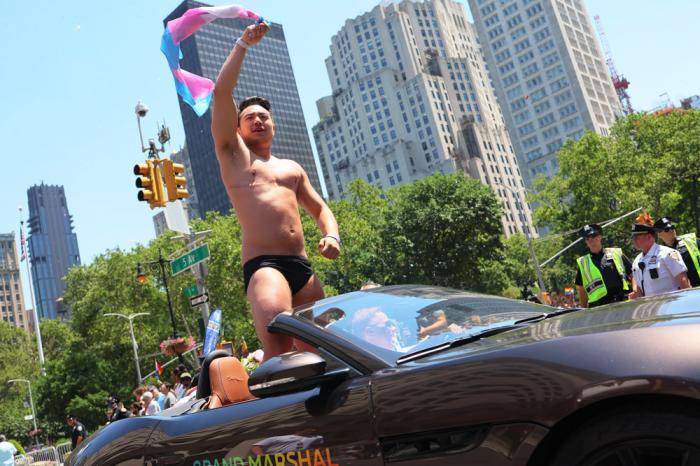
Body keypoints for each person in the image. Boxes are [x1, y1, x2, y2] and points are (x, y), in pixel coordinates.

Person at [212, 21, 340, 360]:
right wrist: (242, 44)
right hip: (265, 265)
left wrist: (332, 235)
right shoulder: (234, 156)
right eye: (249, 116)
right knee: (280, 344)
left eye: (263, 116)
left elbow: (320, 209)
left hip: (303, 267)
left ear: (273, 124)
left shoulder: (292, 168)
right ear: (236, 128)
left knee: (324, 349)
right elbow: (221, 93)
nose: (257, 120)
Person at [629, 214, 691, 298]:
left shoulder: (667, 254)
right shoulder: (637, 261)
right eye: (633, 237)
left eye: (637, 236)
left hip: (671, 305)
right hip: (651, 308)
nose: (634, 240)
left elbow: (683, 283)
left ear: (649, 237)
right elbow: (638, 289)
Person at [574, 223, 633, 308]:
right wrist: (583, 309)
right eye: (587, 238)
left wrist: (635, 291)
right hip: (598, 307)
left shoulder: (616, 253)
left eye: (593, 236)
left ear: (600, 236)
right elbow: (581, 288)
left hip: (621, 302)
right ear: (586, 242)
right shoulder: (583, 262)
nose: (591, 240)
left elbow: (633, 274)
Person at [654, 217, 700, 287]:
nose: (671, 230)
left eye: (672, 227)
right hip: (682, 291)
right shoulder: (660, 254)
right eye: (667, 229)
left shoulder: (690, 240)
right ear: (659, 234)